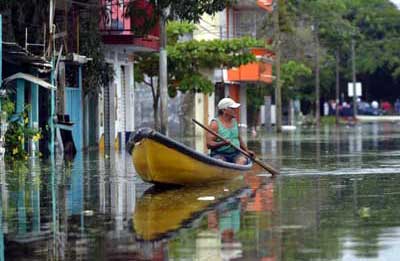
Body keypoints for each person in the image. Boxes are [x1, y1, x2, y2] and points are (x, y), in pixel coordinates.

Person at [206, 97, 255, 165]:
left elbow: (238, 138)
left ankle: (237, 173)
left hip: (236, 153)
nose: (235, 110)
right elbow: (209, 144)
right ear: (224, 110)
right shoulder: (215, 124)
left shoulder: (234, 121)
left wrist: (247, 151)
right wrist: (222, 143)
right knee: (220, 162)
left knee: (242, 161)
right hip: (220, 154)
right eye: (232, 109)